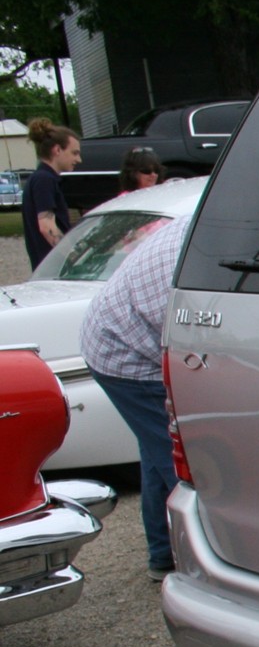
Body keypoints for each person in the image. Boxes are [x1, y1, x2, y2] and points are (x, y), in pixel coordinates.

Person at [79, 214, 187, 580]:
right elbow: (190, 348)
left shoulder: (205, 225)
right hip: (123, 352)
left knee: (158, 452)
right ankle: (204, 563)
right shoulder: (192, 263)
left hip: (121, 335)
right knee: (183, 463)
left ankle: (163, 555)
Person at [22, 117, 81, 268]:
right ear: (57, 150)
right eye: (74, 153)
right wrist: (75, 257)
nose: (79, 159)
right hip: (53, 269)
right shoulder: (44, 180)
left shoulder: (43, 178)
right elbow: (47, 226)